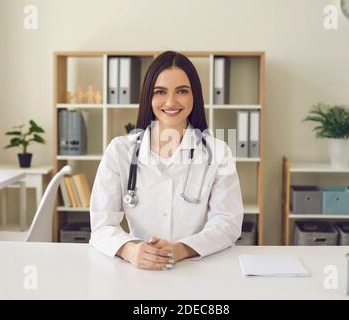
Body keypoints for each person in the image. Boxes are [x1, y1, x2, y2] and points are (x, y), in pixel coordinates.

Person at [90, 51, 244, 270]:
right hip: (137, 271)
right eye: (160, 92)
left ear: (195, 96)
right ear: (148, 97)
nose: (171, 102)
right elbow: (101, 225)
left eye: (182, 91)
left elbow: (227, 223)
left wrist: (180, 250)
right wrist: (130, 250)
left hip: (197, 268)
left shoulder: (218, 153)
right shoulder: (120, 151)